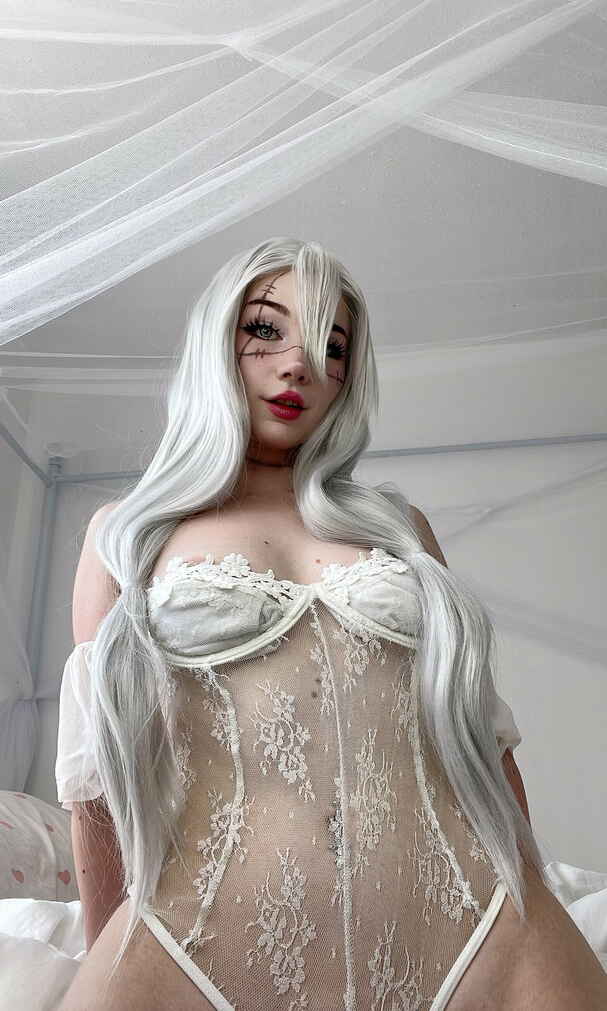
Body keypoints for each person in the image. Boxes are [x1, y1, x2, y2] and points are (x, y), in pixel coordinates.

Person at [55, 239, 607, 1011]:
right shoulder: (125, 534)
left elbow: (483, 745)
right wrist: (104, 947)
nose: (298, 366)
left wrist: (532, 889)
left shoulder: (400, 528)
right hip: (194, 946)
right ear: (217, 342)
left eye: (331, 347)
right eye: (266, 329)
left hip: (478, 932)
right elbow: (95, 781)